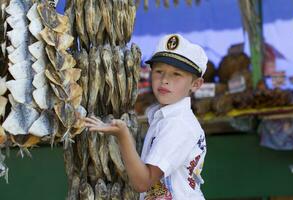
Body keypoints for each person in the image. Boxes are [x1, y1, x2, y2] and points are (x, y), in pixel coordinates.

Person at [84, 33, 208, 200]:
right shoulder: (164, 118)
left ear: (196, 84)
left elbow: (143, 182)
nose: (164, 80)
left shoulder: (178, 124)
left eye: (176, 74)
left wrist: (123, 136)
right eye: (159, 71)